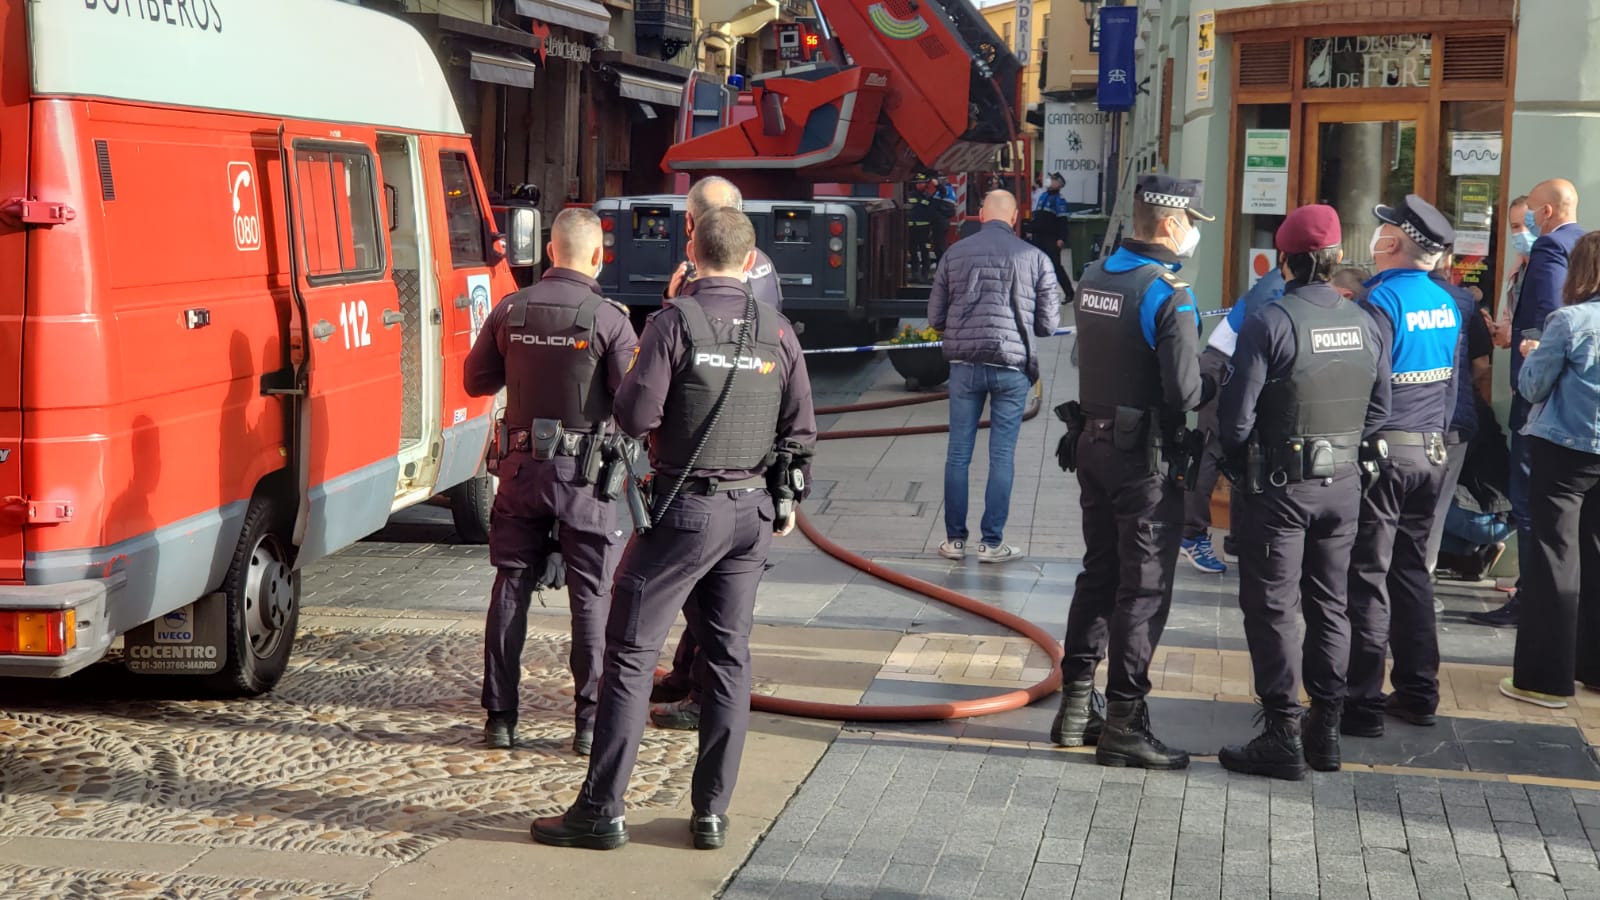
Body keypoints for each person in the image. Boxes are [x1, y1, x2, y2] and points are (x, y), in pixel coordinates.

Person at [532, 207, 816, 852]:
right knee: (728, 658)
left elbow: (635, 414)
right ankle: (711, 813)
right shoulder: (778, 330)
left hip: (684, 508)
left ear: (691, 254)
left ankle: (601, 810)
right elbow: (800, 428)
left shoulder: (673, 323)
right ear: (750, 262)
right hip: (750, 513)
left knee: (630, 654)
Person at [1214, 204, 1389, 779]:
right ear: (1336, 259)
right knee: (1330, 603)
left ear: (1284, 261)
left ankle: (1281, 733)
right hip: (1343, 487)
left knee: (1271, 609)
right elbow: (1380, 410)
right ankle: (1327, 730)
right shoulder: (1368, 322)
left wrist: (1236, 463)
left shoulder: (1271, 320)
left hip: (1280, 489)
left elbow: (1235, 421)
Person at [1050, 174, 1214, 768]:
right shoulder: (1168, 293)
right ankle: (1124, 721)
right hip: (1143, 462)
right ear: (1171, 224)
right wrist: (1215, 376)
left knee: (1098, 575)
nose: (1194, 233)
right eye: (1194, 222)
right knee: (1142, 589)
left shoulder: (1096, 277)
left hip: (1092, 445)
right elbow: (1183, 392)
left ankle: (1074, 709)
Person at [462, 209, 640, 754]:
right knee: (592, 598)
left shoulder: (510, 309)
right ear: (597, 255)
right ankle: (588, 725)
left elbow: (474, 380)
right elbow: (635, 405)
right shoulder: (608, 319)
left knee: (509, 587)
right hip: (585, 479)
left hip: (519, 472)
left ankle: (500, 719)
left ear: (548, 253)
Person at [652, 176, 789, 732]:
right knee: (720, 589)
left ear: (693, 229)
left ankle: (702, 692)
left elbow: (672, 361)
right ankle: (689, 671)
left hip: (699, 460)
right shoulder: (764, 268)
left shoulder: (693, 283)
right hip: (754, 459)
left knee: (699, 590)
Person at [1343, 195, 1462, 738]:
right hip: (1431, 451)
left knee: (1368, 574)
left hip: (1384, 456)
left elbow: (1371, 392)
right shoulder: (1447, 304)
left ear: (1390, 243)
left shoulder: (1378, 303)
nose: (1375, 239)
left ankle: (1361, 700)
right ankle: (1419, 692)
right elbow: (1451, 386)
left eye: (1381, 231)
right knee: (1411, 571)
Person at [1473, 180, 1583, 627]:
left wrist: (1523, 358)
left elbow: (1541, 324)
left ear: (1549, 211)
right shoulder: (1581, 244)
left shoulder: (1551, 249)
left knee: (1531, 500)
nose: (1526, 228)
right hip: (1571, 407)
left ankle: (1532, 599)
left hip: (1538, 401)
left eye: (1531, 216)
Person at [930, 190, 1062, 564]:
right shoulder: (1036, 258)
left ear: (982, 215)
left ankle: (954, 541)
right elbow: (1049, 324)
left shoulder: (954, 254)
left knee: (958, 453)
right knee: (1001, 455)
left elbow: (935, 317)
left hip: (964, 367)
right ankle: (991, 543)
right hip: (1012, 367)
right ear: (1016, 217)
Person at [1499, 230, 1600, 709]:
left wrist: (1530, 355)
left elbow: (1533, 388)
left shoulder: (1568, 320)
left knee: (1553, 559)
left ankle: (1544, 680)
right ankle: (1594, 670)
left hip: (1564, 451)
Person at [1180, 267, 1287, 574]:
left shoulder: (1282, 284)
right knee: (1213, 451)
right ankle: (1191, 535)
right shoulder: (1275, 288)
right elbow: (1259, 337)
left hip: (1236, 368)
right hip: (1226, 367)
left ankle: (1238, 544)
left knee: (1245, 455)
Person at [1424, 251, 1495, 580]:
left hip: (1402, 423)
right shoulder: (1464, 303)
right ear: (1449, 263)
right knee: (1436, 511)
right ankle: (1421, 586)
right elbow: (1482, 365)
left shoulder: (1389, 295)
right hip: (1454, 421)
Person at [666, 176, 782, 312]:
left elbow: (674, 327)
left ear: (689, 222)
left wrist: (671, 299)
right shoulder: (763, 260)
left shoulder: (691, 278)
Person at [1435, 393, 1513, 581]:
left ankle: (1473, 550)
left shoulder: (1454, 417)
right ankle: (1475, 552)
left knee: (1407, 515)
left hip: (1486, 518)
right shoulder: (1474, 407)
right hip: (1501, 517)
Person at [1489, 194, 1533, 351]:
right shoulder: (1516, 268)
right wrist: (1496, 329)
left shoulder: (1551, 267)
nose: (1522, 232)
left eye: (1527, 225)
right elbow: (1511, 314)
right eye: (1515, 226)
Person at [906, 178, 936, 282]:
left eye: (922, 183)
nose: (920, 185)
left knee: (925, 252)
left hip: (924, 229)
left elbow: (932, 213)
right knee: (913, 252)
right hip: (911, 228)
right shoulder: (909, 196)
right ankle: (915, 275)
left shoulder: (928, 197)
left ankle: (925, 275)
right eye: (918, 183)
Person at [930, 176, 958, 265]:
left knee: (940, 246)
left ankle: (942, 266)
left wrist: (937, 185)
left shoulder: (945, 189)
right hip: (942, 220)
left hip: (940, 221)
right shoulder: (949, 189)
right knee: (940, 244)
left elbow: (942, 192)